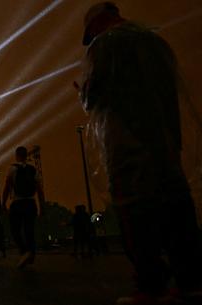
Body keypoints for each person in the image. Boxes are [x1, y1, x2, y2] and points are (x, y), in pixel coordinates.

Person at [79, 3, 202, 304]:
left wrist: (83, 95)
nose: (91, 36)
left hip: (128, 143)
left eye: (90, 31)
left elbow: (96, 94)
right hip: (165, 141)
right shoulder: (156, 41)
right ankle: (190, 282)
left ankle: (151, 287)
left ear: (97, 23)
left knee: (135, 212)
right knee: (176, 208)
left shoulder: (105, 45)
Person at [2, 146, 42, 269]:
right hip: (30, 203)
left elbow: (7, 187)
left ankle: (24, 251)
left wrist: (3, 203)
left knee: (15, 229)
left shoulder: (12, 169)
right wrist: (42, 205)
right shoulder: (33, 169)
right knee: (29, 229)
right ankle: (31, 252)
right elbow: (39, 189)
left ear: (17, 155)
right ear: (26, 155)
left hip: (17, 202)